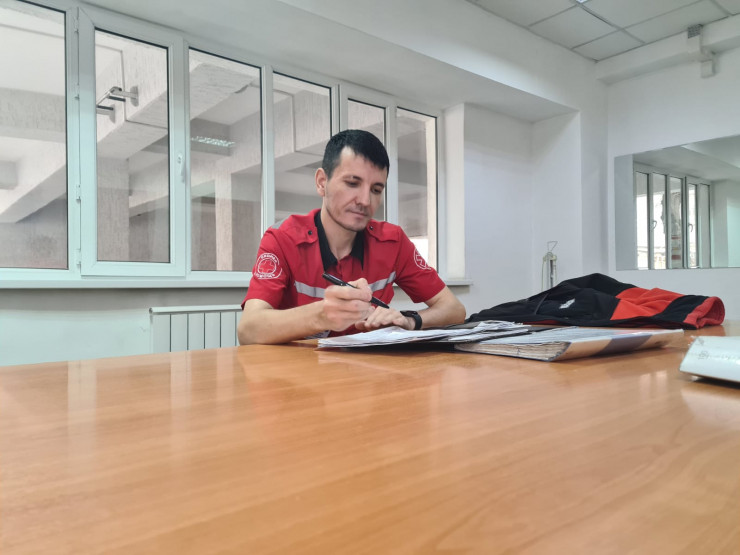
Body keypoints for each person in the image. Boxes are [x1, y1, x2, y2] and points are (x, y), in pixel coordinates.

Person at [238, 129, 466, 344]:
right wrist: (321, 315)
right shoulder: (282, 238)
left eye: (376, 190)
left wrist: (409, 321)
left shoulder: (393, 241)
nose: (365, 201)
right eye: (352, 183)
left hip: (366, 368)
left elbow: (454, 309)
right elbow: (248, 330)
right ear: (322, 182)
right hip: (297, 369)